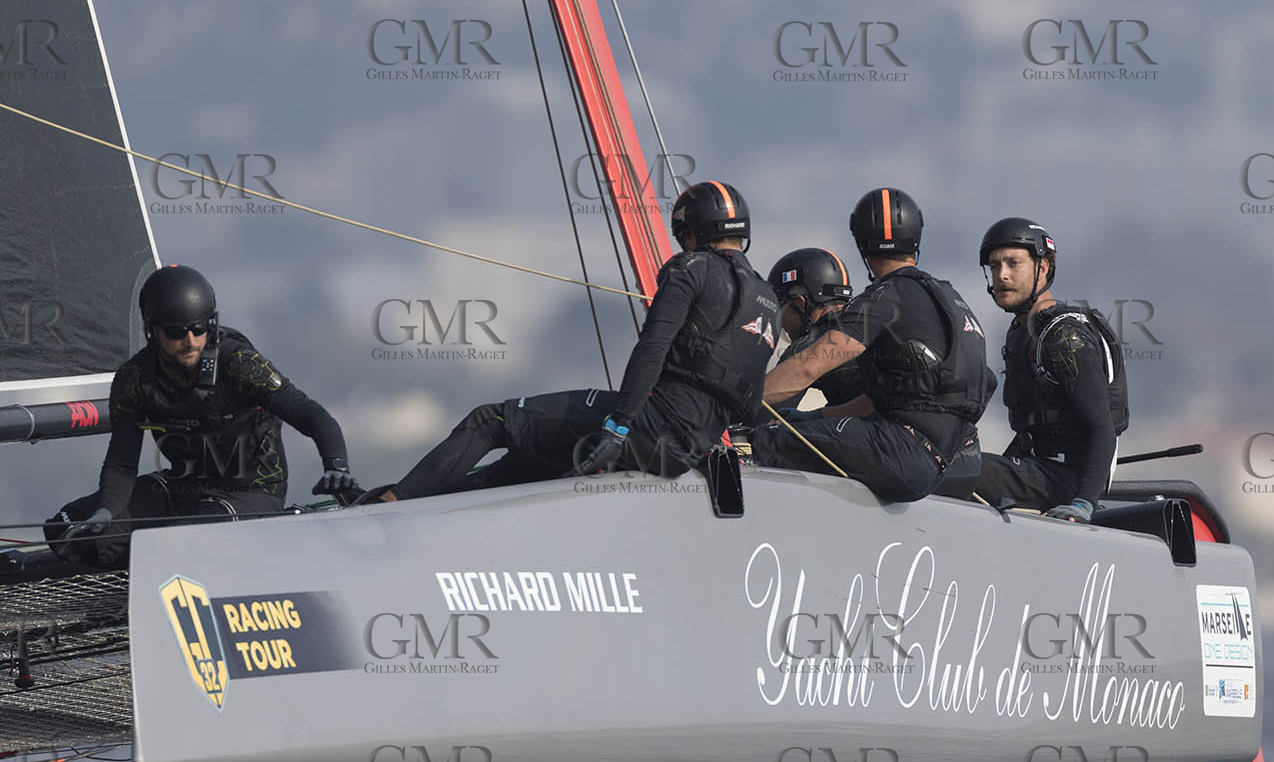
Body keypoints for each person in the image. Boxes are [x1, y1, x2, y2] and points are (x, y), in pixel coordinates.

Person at [363, 180, 780, 502]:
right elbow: (749, 395)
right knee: (522, 463)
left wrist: (618, 426)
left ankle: (390, 505)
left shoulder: (690, 267)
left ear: (691, 231)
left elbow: (651, 348)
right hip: (686, 452)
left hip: (647, 430)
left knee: (489, 420)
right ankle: (434, 503)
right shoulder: (768, 301)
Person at [47, 264, 358, 565]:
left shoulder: (240, 365)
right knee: (67, 529)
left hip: (249, 492)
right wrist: (108, 510)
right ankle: (138, 561)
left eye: (200, 328)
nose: (191, 340)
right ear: (151, 330)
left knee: (174, 545)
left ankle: (158, 559)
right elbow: (121, 462)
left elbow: (310, 414)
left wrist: (336, 464)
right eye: (176, 332)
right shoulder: (133, 380)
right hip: (183, 486)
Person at [746, 187, 995, 502]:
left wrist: (733, 406)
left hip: (905, 453)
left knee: (767, 440)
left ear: (862, 243)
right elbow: (878, 402)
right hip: (958, 464)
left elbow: (808, 367)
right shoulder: (950, 297)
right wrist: (814, 419)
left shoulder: (885, 297)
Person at [972, 218, 1129, 523]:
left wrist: (1083, 503)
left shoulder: (1064, 337)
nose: (1001, 274)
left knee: (945, 468)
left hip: (1065, 480)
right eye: (994, 266)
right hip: (1034, 469)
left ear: (1042, 268)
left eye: (1013, 263)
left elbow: (1102, 428)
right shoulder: (1021, 330)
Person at [763, 247, 858, 418]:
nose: (782, 325)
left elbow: (765, 415)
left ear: (800, 304)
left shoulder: (810, 345)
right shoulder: (866, 325)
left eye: (781, 310)